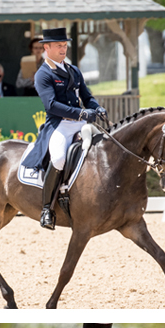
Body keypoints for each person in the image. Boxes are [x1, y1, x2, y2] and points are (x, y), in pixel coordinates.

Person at [19, 27, 105, 231]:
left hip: (80, 123)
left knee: (104, 149)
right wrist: (82, 113)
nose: (63, 49)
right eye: (58, 45)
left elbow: (87, 95)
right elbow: (51, 105)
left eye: (65, 45)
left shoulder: (73, 70)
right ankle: (47, 209)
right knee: (58, 158)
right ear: (46, 47)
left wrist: (96, 107)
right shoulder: (43, 74)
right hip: (60, 125)